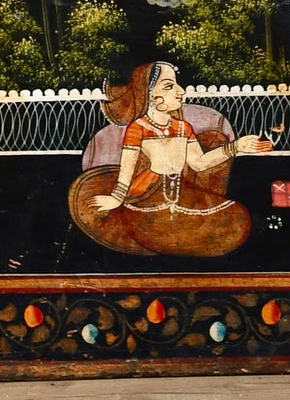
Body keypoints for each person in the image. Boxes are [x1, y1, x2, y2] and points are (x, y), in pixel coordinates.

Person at [69, 60, 271, 257]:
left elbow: (199, 163)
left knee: (239, 218)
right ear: (151, 95)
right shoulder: (138, 128)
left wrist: (236, 147)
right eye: (169, 86)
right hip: (148, 201)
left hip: (183, 197)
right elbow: (126, 172)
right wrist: (115, 198)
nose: (181, 91)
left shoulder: (183, 127)